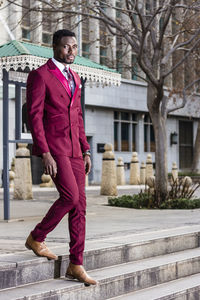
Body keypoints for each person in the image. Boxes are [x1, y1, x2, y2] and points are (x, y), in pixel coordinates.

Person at [25, 29, 97, 286]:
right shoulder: (40, 76)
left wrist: (86, 149)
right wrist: (44, 152)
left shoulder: (76, 78)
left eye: (75, 47)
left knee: (80, 208)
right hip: (54, 147)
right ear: (55, 46)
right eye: (67, 47)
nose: (72, 52)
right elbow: (34, 116)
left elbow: (77, 115)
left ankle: (76, 264)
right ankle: (37, 236)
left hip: (76, 150)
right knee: (70, 197)